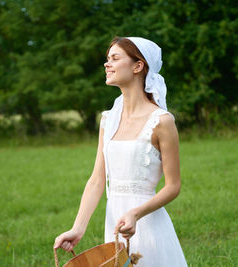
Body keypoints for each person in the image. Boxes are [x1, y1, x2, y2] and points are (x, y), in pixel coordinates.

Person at [54, 36, 187, 266]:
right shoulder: (108, 119)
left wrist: (136, 213)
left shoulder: (162, 122)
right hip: (114, 225)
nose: (107, 64)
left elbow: (173, 186)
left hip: (148, 226)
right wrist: (78, 228)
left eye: (115, 58)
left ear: (138, 66)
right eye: (107, 59)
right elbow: (97, 180)